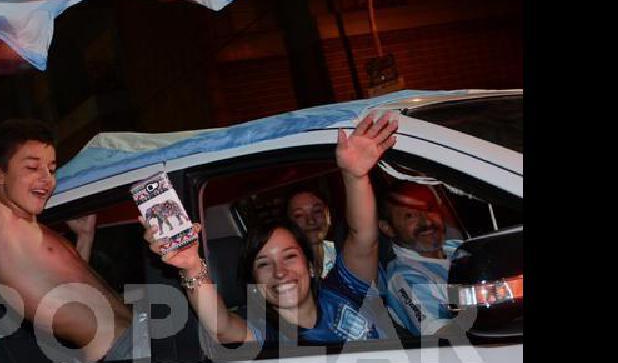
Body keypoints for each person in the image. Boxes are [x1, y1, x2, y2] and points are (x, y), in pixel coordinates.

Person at [0, 0, 131, 363]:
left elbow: (74, 299)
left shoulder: (40, 233)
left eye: (52, 167)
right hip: (119, 355)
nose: (47, 179)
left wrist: (84, 240)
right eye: (31, 167)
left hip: (134, 341)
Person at [142, 113, 398, 345]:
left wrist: (355, 177)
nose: (280, 272)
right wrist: (192, 267)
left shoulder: (345, 292)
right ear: (254, 282)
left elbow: (364, 238)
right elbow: (222, 328)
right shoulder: (270, 337)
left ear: (310, 266)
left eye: (290, 256)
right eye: (263, 264)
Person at [377, 181, 463, 335]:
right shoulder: (405, 276)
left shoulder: (458, 248)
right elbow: (442, 335)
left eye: (429, 209)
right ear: (387, 228)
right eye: (410, 216)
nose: (427, 221)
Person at [286, 190, 337, 278]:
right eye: (299, 215)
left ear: (328, 215)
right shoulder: (284, 266)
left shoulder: (348, 254)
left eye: (317, 211)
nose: (311, 221)